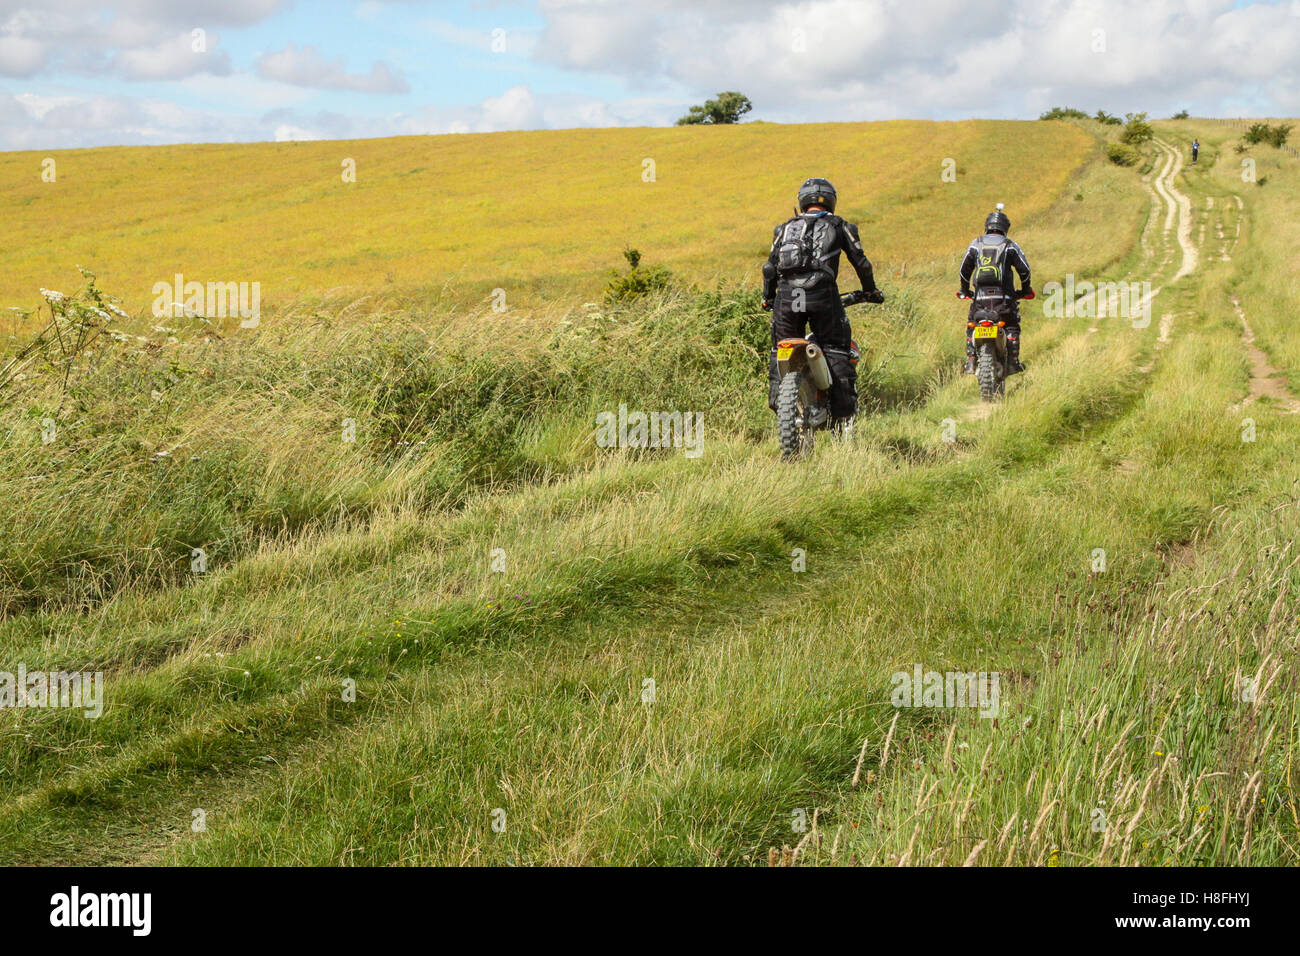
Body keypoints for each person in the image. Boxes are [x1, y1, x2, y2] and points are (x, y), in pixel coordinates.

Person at [762, 177, 883, 420]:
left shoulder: (784, 228)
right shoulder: (840, 226)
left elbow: (769, 268)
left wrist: (768, 297)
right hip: (822, 296)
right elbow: (862, 264)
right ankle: (841, 411)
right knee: (835, 348)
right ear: (831, 201)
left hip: (786, 299)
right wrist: (870, 291)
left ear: (802, 202)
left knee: (780, 350)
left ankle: (779, 400)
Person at [958, 204, 1032, 375]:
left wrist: (964, 290)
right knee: (1012, 326)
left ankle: (970, 360)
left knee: (972, 326)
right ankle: (1013, 362)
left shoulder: (976, 244)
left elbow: (964, 271)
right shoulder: (1010, 245)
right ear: (1005, 228)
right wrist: (1026, 289)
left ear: (987, 227)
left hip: (980, 300)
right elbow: (1025, 270)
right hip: (1004, 300)